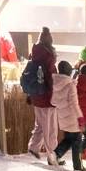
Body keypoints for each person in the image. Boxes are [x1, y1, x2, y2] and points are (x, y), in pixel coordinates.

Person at [25, 27, 58, 163]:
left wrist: (29, 93)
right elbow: (51, 78)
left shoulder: (34, 54)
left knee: (40, 124)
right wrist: (56, 93)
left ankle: (33, 147)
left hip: (36, 96)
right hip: (47, 97)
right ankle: (53, 156)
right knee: (50, 128)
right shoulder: (48, 56)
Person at [52, 61, 84, 171]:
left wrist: (73, 81)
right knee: (77, 141)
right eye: (70, 68)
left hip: (62, 117)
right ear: (67, 71)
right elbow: (74, 104)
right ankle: (78, 166)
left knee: (68, 140)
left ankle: (54, 155)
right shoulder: (70, 85)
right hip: (73, 118)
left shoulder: (55, 84)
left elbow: (53, 101)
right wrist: (80, 118)